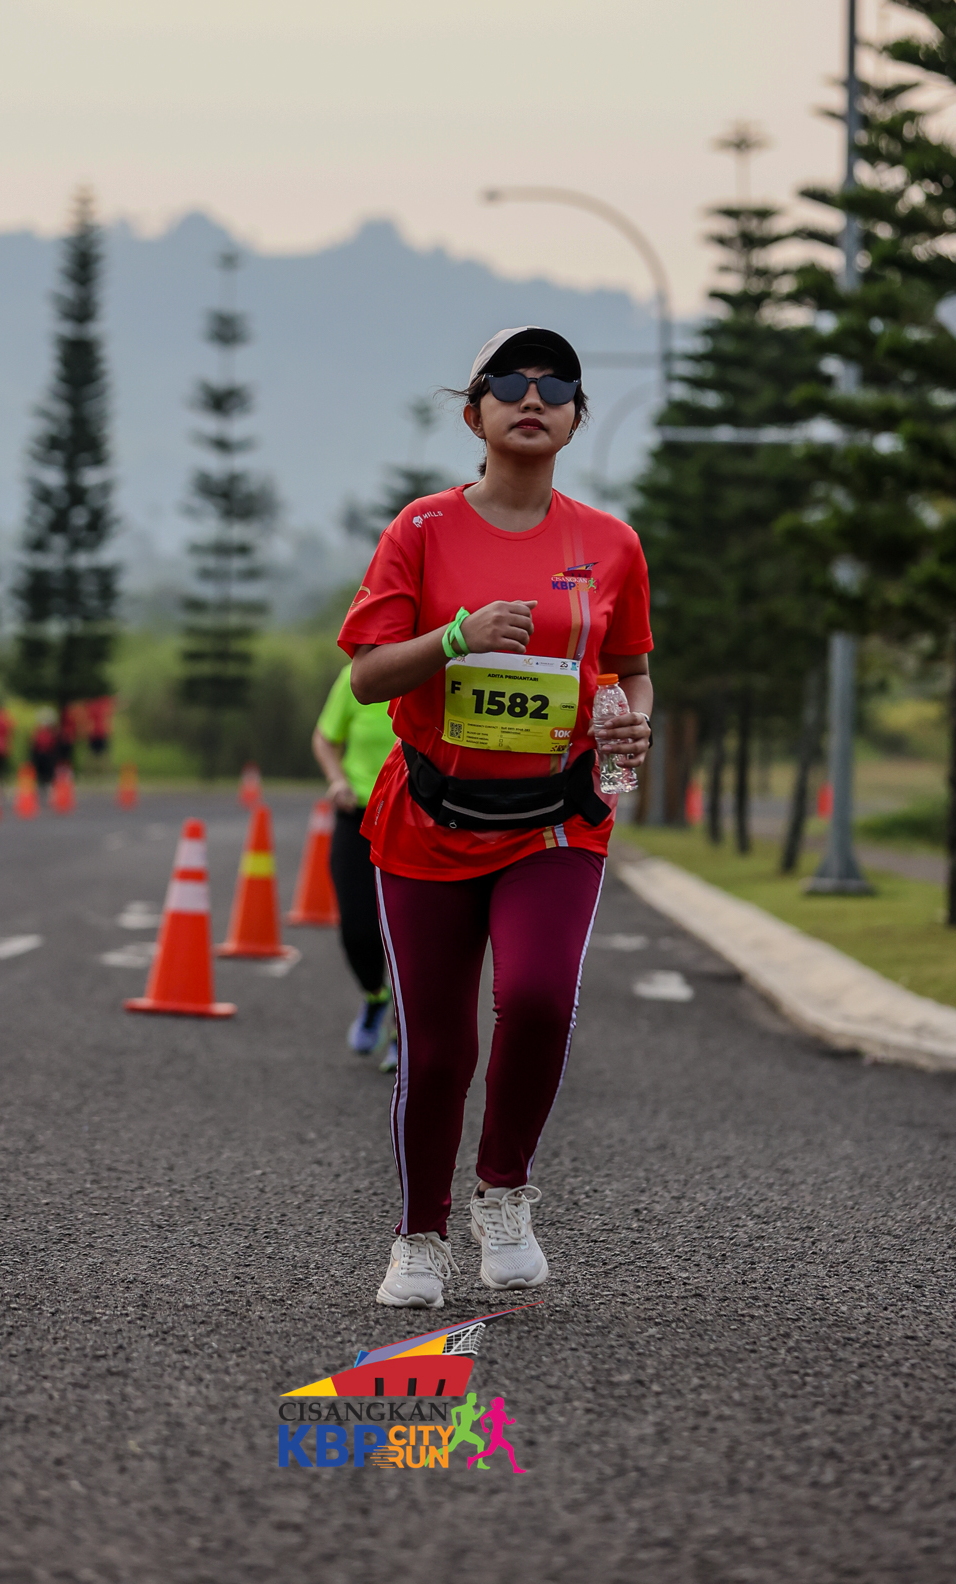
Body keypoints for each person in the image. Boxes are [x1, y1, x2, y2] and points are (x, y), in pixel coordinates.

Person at [340, 326, 653, 1310]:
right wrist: (457, 638)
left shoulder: (610, 544)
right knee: (436, 1051)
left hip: (556, 821)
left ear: (574, 418)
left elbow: (632, 671)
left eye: (555, 385)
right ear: (473, 412)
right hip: (430, 817)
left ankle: (503, 1195)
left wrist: (627, 724)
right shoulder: (422, 529)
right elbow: (365, 677)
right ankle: (420, 1237)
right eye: (509, 381)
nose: (532, 396)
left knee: (540, 997)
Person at [311, 663, 398, 1063]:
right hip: (358, 815)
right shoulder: (356, 676)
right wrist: (337, 779)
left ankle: (402, 1033)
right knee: (357, 931)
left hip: (417, 819)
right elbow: (325, 737)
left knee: (411, 936)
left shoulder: (439, 670)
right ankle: (375, 996)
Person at [30, 708, 59, 795]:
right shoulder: (38, 732)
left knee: (48, 772)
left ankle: (48, 787)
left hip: (48, 754)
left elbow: (53, 744)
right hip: (40, 754)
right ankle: (41, 787)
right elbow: (34, 743)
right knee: (40, 772)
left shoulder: (51, 732)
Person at [85, 695, 114, 763]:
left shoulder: (99, 702)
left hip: (100, 732)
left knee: (100, 753)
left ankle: (99, 765)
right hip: (95, 733)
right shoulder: (102, 702)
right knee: (96, 753)